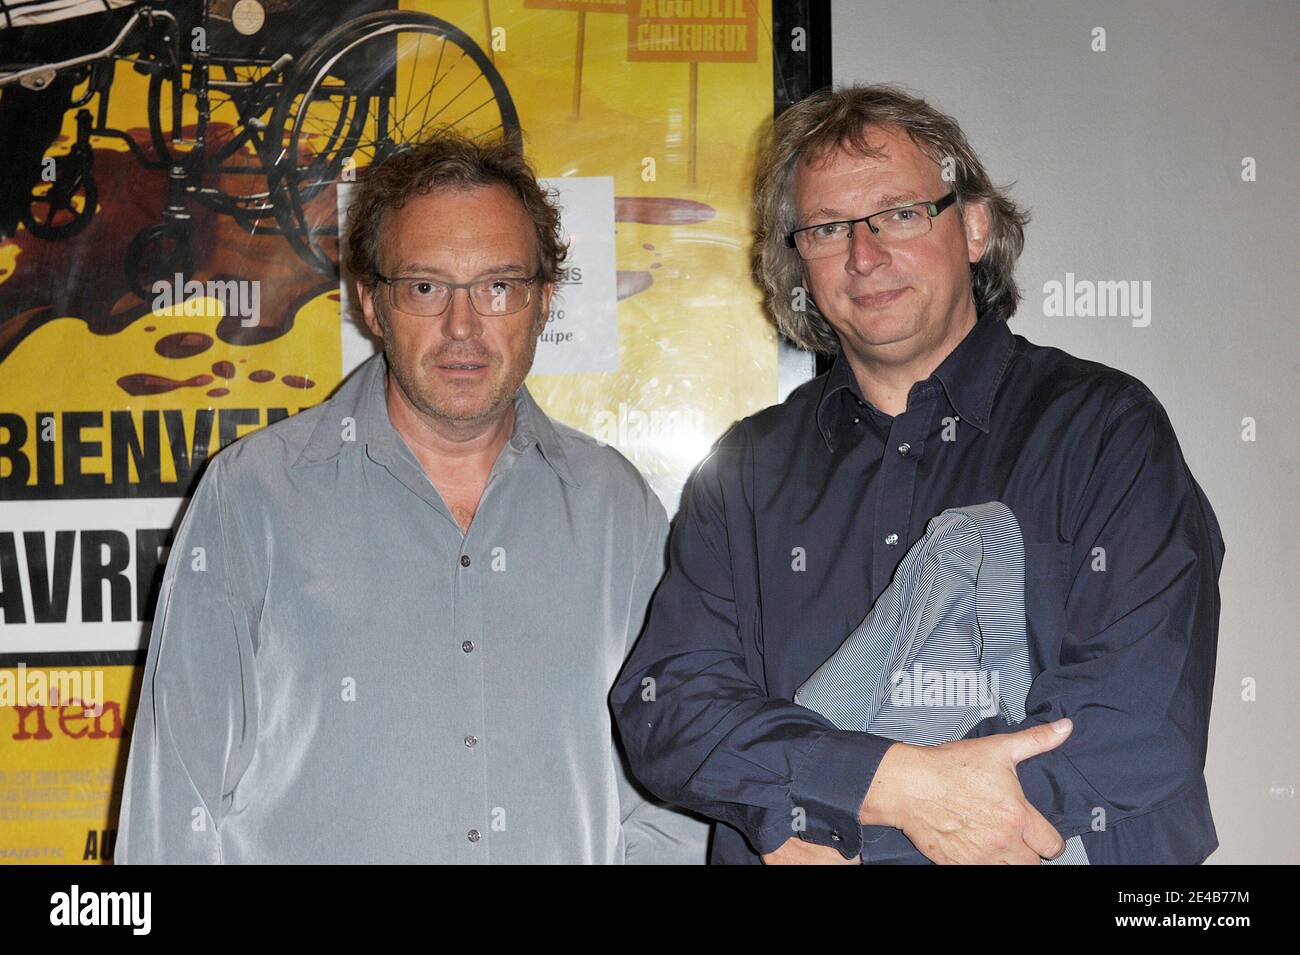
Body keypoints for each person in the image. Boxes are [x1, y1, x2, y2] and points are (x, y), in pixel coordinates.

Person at [611, 84, 1225, 865]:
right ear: (797, 259)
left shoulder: (1104, 429)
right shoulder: (743, 471)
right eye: (829, 228)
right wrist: (894, 784)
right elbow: (668, 708)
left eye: (900, 214)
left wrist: (828, 813)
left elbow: (1140, 715)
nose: (865, 256)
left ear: (973, 225)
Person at [117, 132, 709, 864]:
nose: (462, 326)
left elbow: (668, 797)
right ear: (371, 301)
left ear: (542, 301)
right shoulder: (252, 497)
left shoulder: (616, 510)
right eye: (425, 287)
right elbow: (175, 803)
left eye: (497, 286)